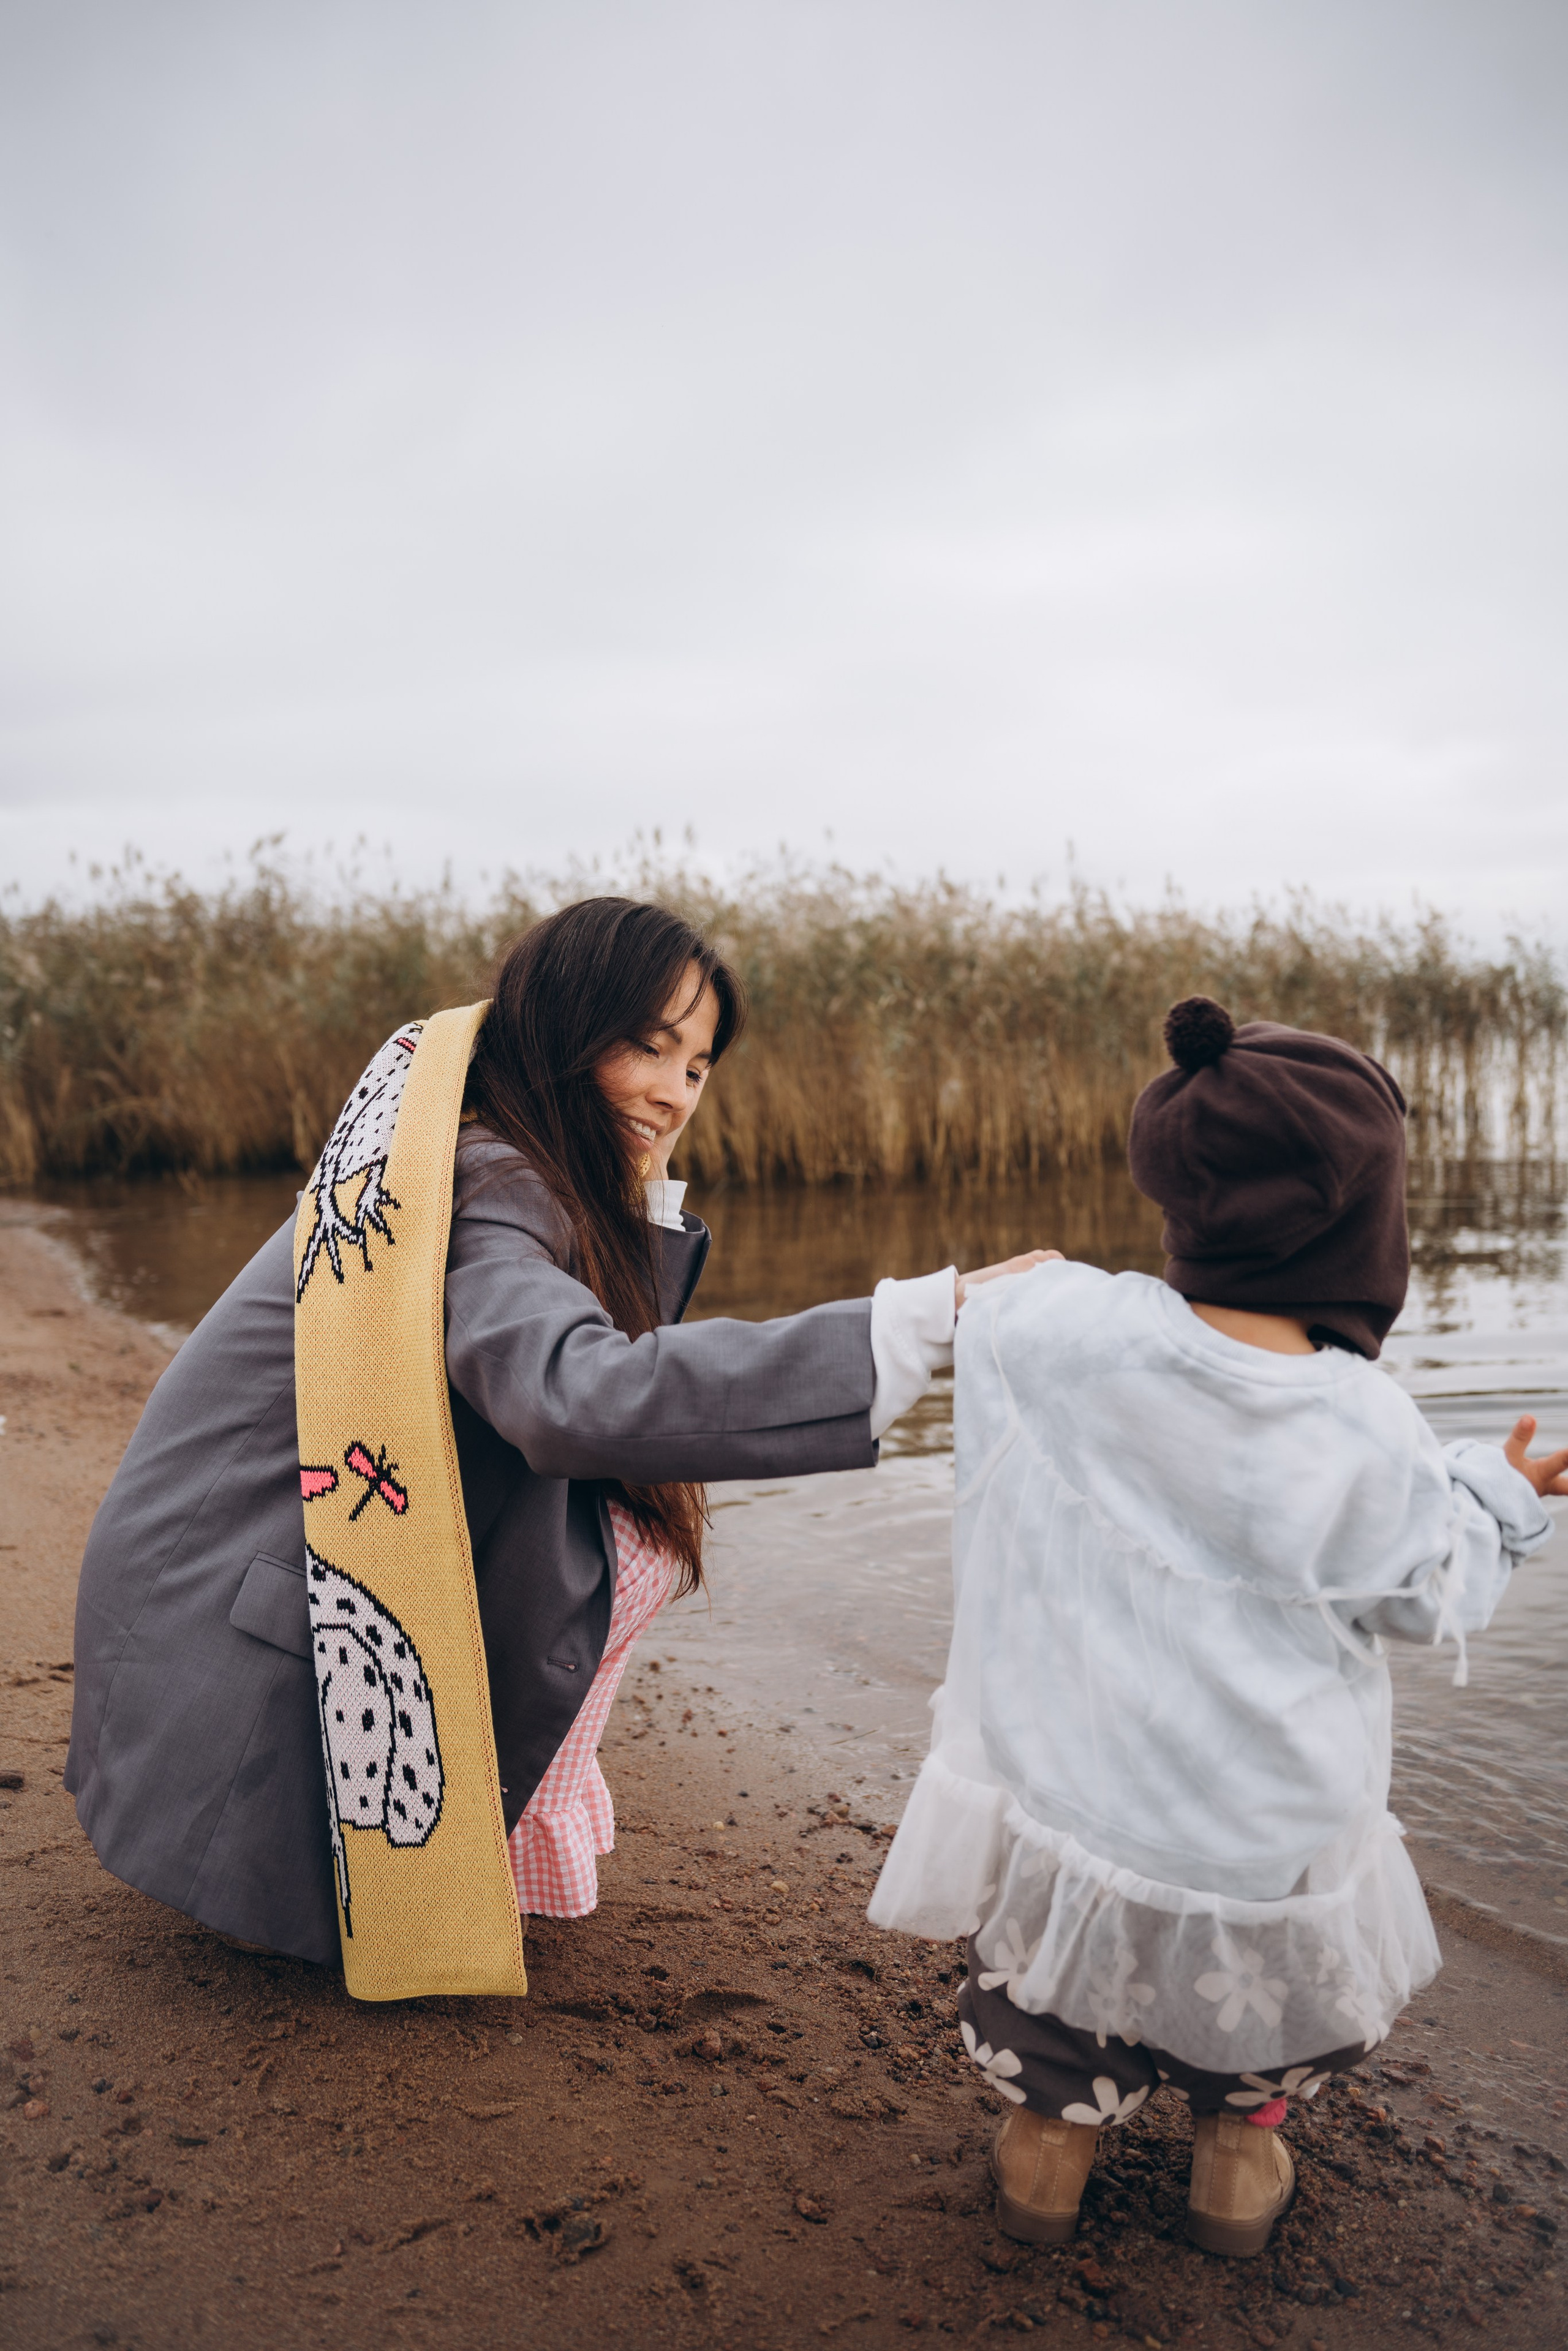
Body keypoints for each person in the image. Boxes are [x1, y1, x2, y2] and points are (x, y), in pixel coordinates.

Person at [67, 896, 1047, 1969]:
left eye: (699, 1066)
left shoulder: (481, 1158)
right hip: (227, 1631)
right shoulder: (487, 1178)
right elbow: (578, 1396)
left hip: (245, 1585)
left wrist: (644, 1218)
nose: (676, 1092)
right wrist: (919, 1322)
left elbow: (592, 1371)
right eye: (649, 1047)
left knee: (623, 1518)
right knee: (620, 1528)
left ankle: (519, 1824)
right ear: (563, 1031)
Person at [870, 997, 1565, 2259]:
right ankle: (1235, 2182)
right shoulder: (1363, 1425)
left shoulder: (1062, 1331)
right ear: (1364, 1221)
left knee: (1054, 2046)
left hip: (1083, 1803)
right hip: (1263, 1832)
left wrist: (1011, 1291)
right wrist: (1503, 1498)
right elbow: (1430, 1591)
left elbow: (991, 1325)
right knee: (1251, 2053)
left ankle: (1041, 2177)